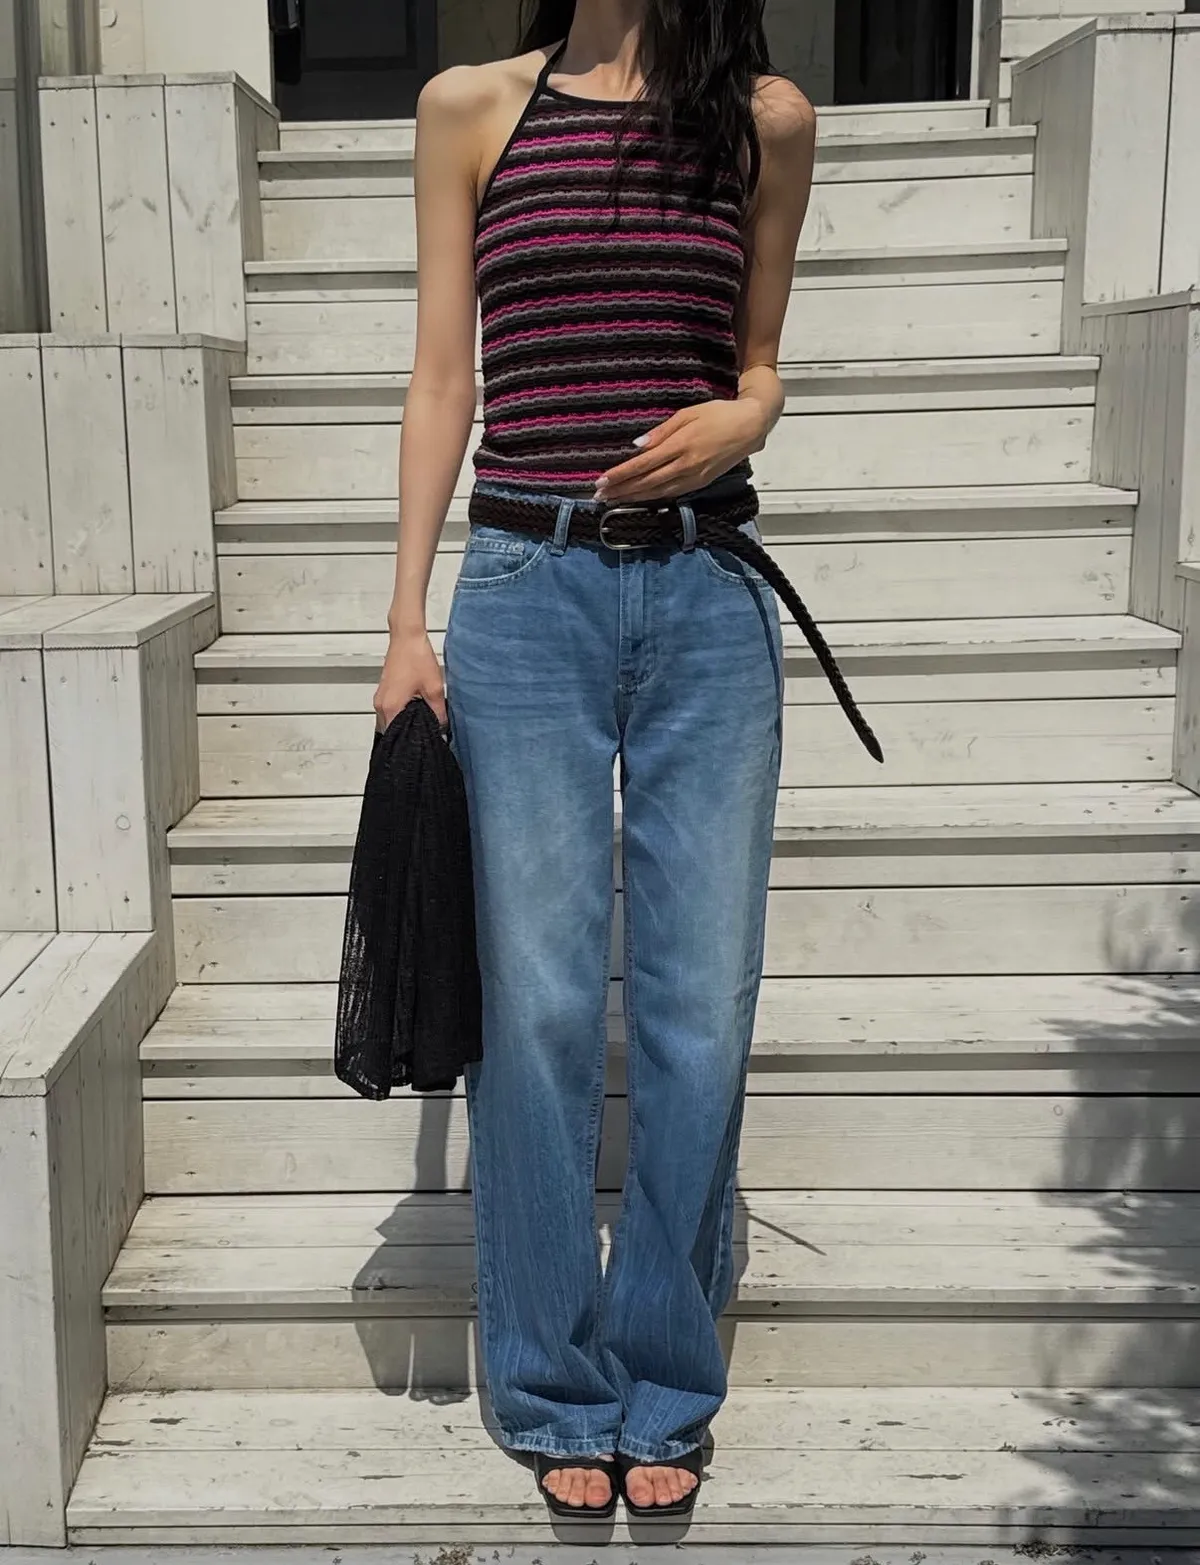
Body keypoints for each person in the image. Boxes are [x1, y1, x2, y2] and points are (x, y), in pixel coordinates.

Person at [373, 0, 817, 1521]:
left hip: (705, 592)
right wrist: (405, 621)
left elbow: (762, 365)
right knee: (542, 1005)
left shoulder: (762, 120)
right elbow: (445, 377)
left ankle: (667, 1383)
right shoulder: (472, 109)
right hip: (524, 587)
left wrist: (740, 421)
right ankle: (553, 1381)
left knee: (699, 1006)